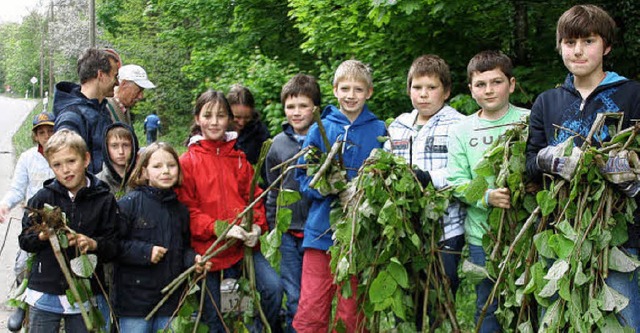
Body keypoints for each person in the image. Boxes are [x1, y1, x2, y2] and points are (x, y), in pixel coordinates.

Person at [525, 5, 640, 331]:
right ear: (559, 46)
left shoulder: (633, 94)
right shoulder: (547, 101)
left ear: (606, 47)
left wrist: (631, 175)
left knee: (625, 318)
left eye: (588, 41)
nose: (578, 50)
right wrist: (548, 161)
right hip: (560, 228)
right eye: (570, 42)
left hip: (617, 230)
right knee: (561, 319)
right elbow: (529, 167)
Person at [175, 90, 282, 333]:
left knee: (273, 289)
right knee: (219, 317)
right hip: (210, 253)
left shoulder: (239, 158)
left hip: (243, 248)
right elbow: (187, 210)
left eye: (221, 116)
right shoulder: (187, 162)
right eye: (208, 115)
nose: (214, 122)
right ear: (197, 118)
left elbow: (254, 198)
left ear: (229, 119)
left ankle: (257, 328)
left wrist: (256, 225)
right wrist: (219, 228)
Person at [293, 60, 387, 333]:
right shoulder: (320, 128)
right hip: (320, 231)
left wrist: (365, 191)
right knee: (312, 304)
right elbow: (303, 179)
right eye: (345, 88)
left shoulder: (379, 130)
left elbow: (384, 179)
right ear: (335, 90)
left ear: (368, 92)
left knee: (352, 309)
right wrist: (324, 186)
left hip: (360, 235)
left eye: (358, 89)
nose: (351, 95)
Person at [447, 50, 529, 333]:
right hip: (482, 233)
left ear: (512, 84)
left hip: (525, 231)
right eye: (480, 84)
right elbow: (456, 182)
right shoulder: (461, 130)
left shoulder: (529, 120)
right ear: (470, 89)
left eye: (496, 82)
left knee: (526, 301)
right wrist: (486, 197)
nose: (489, 90)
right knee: (488, 304)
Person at [384, 54, 466, 329]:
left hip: (445, 229)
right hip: (406, 229)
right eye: (417, 88)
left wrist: (429, 178)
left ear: (446, 91)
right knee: (408, 301)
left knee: (439, 300)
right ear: (409, 90)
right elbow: (386, 164)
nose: (423, 95)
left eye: (431, 88)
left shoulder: (458, 125)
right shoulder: (399, 125)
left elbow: (462, 174)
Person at [18, 129, 119, 332]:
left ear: (86, 159)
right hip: (45, 288)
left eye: (71, 161)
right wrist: (41, 235)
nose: (65, 170)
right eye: (57, 165)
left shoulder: (104, 200)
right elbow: (24, 240)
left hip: (86, 290)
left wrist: (93, 244)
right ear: (50, 167)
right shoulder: (42, 199)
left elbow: (114, 244)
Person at [115, 142, 210, 332]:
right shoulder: (129, 204)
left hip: (170, 301)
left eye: (171, 165)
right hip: (135, 303)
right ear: (144, 172)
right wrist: (144, 252)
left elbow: (182, 248)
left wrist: (194, 260)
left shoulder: (180, 210)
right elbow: (113, 245)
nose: (165, 171)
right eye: (157, 166)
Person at [264, 74, 319, 332]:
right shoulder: (276, 145)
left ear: (315, 108)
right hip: (287, 233)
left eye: (303, 106)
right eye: (290, 106)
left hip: (316, 231)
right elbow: (272, 189)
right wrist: (274, 224)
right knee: (293, 294)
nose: (296, 113)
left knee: (311, 297)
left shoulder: (323, 141)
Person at [0, 111, 55, 332]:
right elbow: (17, 189)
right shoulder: (28, 158)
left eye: (51, 131)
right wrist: (5, 204)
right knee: (23, 263)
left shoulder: (64, 153)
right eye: (41, 132)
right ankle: (21, 301)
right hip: (34, 219)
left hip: (59, 218)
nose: (46, 136)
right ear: (35, 136)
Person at [53, 47, 120, 174]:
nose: (117, 83)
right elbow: (68, 171)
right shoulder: (71, 117)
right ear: (101, 75)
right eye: (114, 76)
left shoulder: (102, 111)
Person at [227, 84, 271, 165]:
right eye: (237, 117)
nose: (241, 123)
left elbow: (266, 164)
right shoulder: (219, 131)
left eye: (247, 117)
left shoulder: (260, 132)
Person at [96, 123, 139, 197]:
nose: (121, 151)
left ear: (133, 147)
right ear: (106, 148)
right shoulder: (97, 182)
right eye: (114, 146)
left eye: (126, 145)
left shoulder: (142, 179)